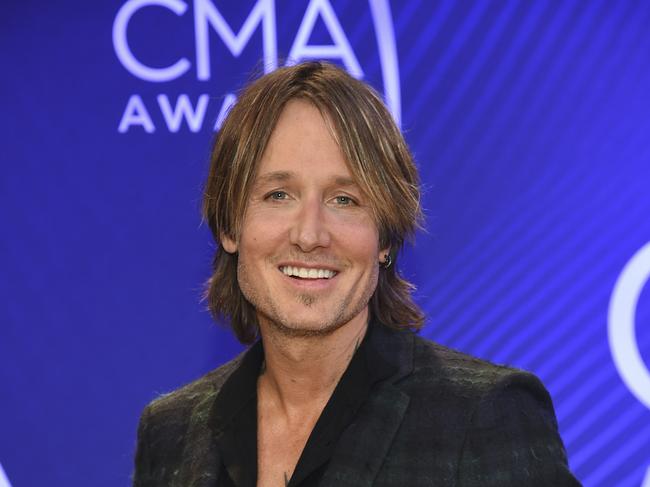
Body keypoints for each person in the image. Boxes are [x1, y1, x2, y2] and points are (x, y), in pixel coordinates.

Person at [132, 61, 581, 486]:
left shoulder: (485, 416)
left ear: (384, 237)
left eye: (344, 199)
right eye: (278, 195)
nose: (309, 235)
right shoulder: (171, 431)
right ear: (230, 225)